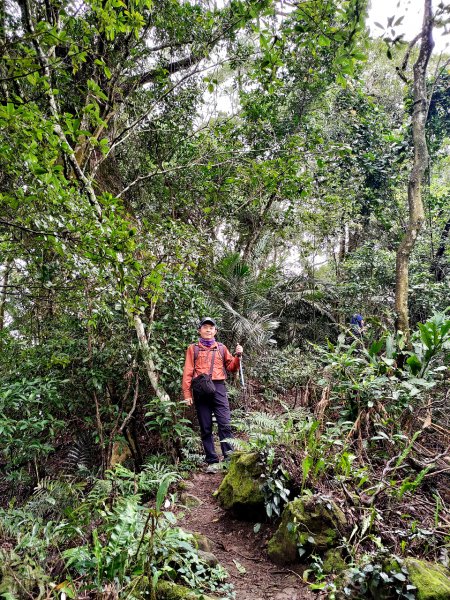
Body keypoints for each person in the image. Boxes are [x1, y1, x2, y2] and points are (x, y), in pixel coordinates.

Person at [182, 317, 243, 473]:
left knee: (225, 423)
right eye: (205, 327)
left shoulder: (222, 348)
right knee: (206, 426)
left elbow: (231, 367)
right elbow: (188, 372)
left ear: (215, 331)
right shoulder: (193, 349)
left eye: (211, 327)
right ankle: (212, 461)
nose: (208, 330)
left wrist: (237, 356)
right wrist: (187, 393)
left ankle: (229, 458)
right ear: (199, 330)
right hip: (201, 388)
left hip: (218, 386)